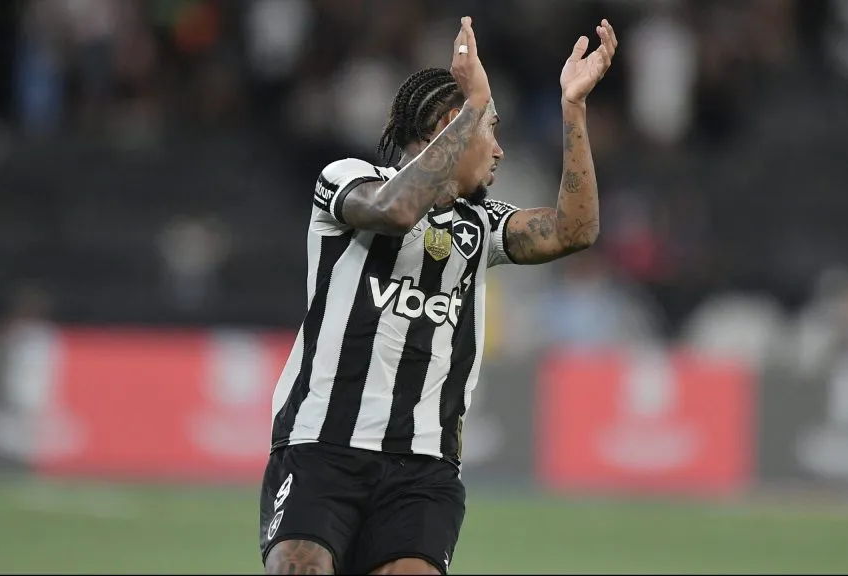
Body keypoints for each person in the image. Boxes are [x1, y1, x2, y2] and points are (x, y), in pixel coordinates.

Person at [260, 16, 618, 575]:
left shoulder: (481, 225)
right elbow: (396, 212)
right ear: (455, 126)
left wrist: (574, 109)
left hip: (422, 466)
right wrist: (473, 105)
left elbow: (575, 232)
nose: (499, 151)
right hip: (322, 446)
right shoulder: (348, 179)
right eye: (490, 131)